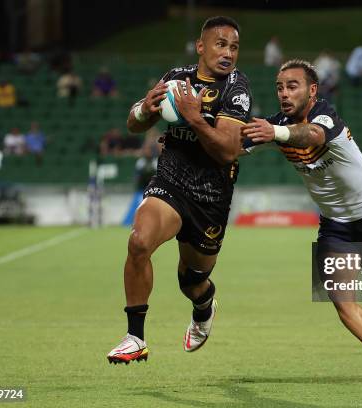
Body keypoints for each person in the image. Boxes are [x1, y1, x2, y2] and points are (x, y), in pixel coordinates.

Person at [241, 59, 362, 386]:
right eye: (280, 87)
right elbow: (231, 147)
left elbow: (312, 136)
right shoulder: (278, 123)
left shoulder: (324, 114)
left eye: (292, 86)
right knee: (342, 302)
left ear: (312, 90)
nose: (284, 93)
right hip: (335, 226)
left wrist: (274, 132)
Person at [107, 16, 252, 364]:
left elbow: (228, 150)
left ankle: (204, 306)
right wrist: (144, 107)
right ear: (201, 47)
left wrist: (195, 117)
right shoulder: (175, 78)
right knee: (139, 242)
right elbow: (133, 123)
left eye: (234, 47)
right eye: (220, 44)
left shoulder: (237, 88)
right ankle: (134, 338)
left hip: (211, 198)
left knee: (192, 280)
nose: (228, 53)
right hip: (170, 182)